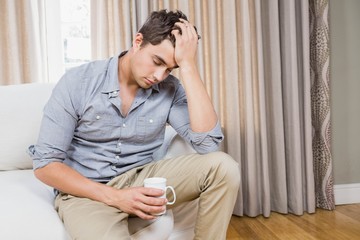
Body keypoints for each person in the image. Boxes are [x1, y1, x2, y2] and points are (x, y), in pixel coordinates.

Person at [29, 9, 240, 240]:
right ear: (138, 41)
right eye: (157, 61)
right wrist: (115, 196)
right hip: (86, 193)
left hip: (141, 178)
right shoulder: (78, 82)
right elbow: (46, 165)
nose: (160, 75)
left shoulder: (170, 88)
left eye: (170, 68)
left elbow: (208, 145)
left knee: (224, 167)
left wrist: (188, 65)